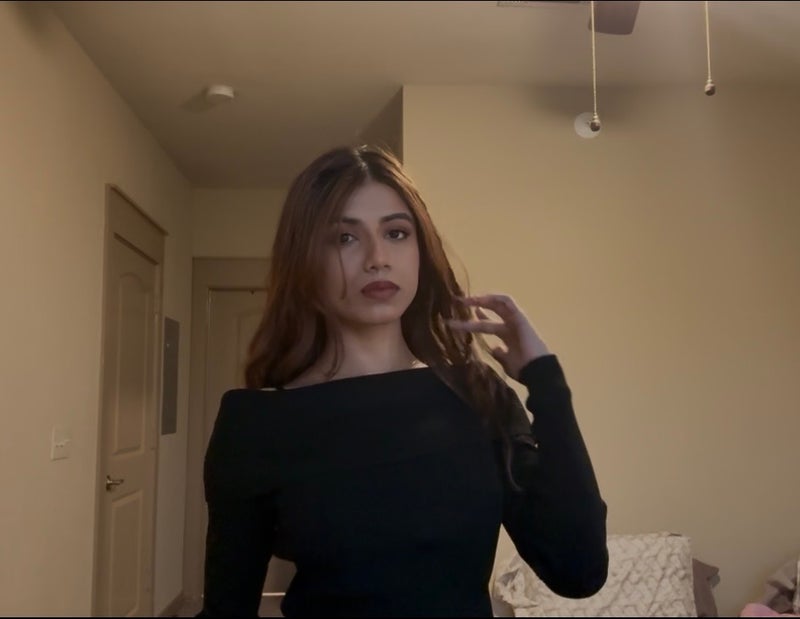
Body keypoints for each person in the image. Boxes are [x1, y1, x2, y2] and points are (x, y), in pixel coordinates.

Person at [198, 145, 608, 617]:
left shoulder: (476, 396)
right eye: (345, 238)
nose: (378, 258)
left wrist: (545, 381)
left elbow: (578, 570)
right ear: (305, 259)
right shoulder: (257, 424)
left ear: (420, 252)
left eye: (396, 233)